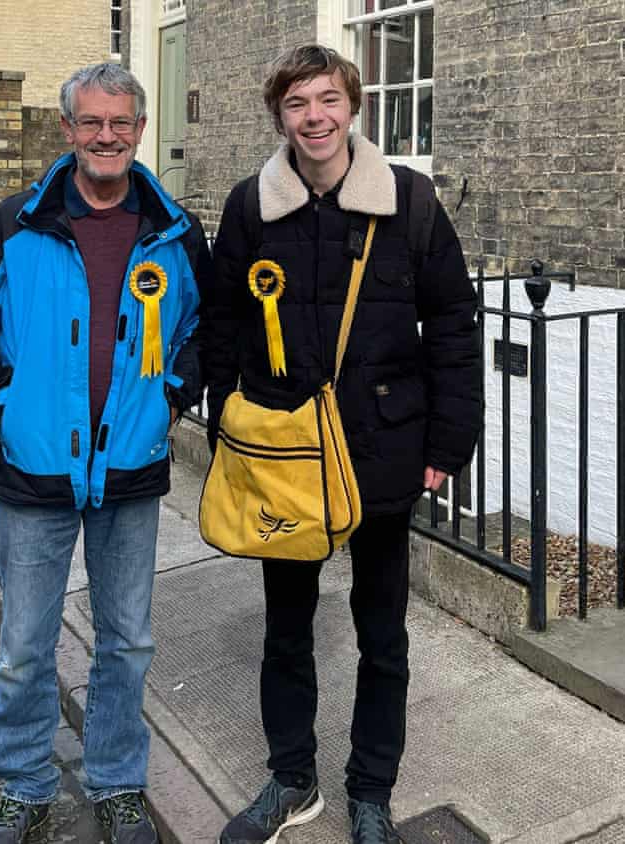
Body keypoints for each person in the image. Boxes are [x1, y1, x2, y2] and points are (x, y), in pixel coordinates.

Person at [203, 45, 481, 844]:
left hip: (384, 447)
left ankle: (371, 792)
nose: (314, 117)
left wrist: (448, 442)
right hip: (284, 458)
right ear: (279, 116)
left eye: (327, 99)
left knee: (381, 633)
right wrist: (229, 416)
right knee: (286, 629)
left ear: (352, 107)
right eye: (297, 103)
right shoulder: (251, 206)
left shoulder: (413, 203)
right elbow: (223, 324)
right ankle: (293, 780)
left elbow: (455, 329)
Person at [0, 62, 210, 844]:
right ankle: (23, 786)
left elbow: (206, 330)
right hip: (33, 472)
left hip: (130, 471)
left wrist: (170, 394)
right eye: (91, 123)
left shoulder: (174, 232)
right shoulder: (15, 225)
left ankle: (117, 781)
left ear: (140, 130)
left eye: (121, 123)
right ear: (67, 130)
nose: (106, 137)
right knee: (25, 647)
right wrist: (5, 398)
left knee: (127, 641)